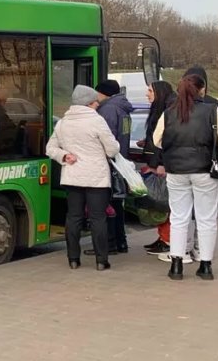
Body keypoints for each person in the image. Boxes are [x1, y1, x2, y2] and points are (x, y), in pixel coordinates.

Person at [153, 73, 218, 281]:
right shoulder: (212, 110)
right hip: (204, 171)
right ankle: (205, 265)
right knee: (206, 218)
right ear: (202, 90)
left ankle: (176, 265)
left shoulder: (169, 113)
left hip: (176, 171)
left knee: (178, 218)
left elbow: (157, 140)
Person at [46, 85, 120, 271]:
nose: (98, 104)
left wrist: (64, 156)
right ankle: (101, 261)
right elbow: (112, 150)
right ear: (88, 103)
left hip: (72, 177)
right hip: (96, 178)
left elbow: (50, 148)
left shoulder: (62, 123)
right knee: (98, 219)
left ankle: (73, 259)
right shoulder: (97, 121)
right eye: (95, 102)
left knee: (74, 217)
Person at [91, 78, 134, 255]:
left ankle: (109, 244)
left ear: (104, 93)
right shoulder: (122, 108)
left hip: (109, 162)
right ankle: (120, 241)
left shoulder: (107, 109)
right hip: (120, 161)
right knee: (116, 204)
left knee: (106, 204)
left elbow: (105, 139)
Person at [138, 80, 176, 255]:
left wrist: (161, 164)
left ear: (160, 92)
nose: (147, 94)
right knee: (159, 203)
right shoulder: (159, 109)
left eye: (150, 91)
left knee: (164, 203)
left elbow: (166, 141)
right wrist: (147, 143)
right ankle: (163, 238)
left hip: (162, 166)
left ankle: (167, 240)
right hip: (156, 163)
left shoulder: (166, 111)